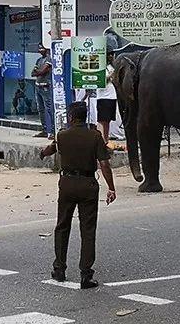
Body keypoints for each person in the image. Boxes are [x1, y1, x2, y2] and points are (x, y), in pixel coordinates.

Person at [40, 101, 117, 289]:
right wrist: (111, 188)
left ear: (71, 117)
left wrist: (42, 153)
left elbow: (50, 149)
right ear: (85, 117)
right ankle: (86, 274)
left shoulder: (62, 135)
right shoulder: (94, 136)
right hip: (88, 185)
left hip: (67, 184)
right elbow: (104, 164)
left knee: (62, 226)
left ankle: (59, 269)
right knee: (88, 230)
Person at [32, 44, 54, 139]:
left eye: (42, 48)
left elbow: (42, 71)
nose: (40, 50)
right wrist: (39, 72)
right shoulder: (39, 60)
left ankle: (52, 131)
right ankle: (44, 130)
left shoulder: (49, 59)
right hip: (38, 86)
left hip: (46, 87)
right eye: (39, 48)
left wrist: (39, 72)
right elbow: (33, 73)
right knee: (40, 109)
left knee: (49, 109)